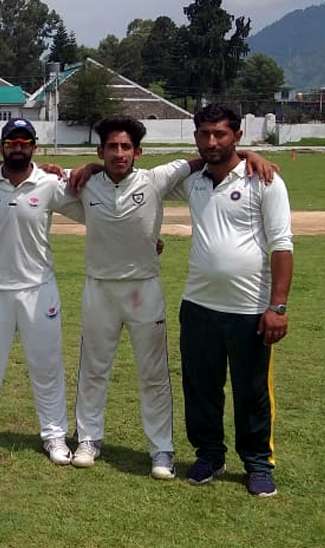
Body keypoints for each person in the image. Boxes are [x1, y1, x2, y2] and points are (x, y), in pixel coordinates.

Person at [65, 115, 278, 478]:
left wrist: (247, 153)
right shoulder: (84, 184)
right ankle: (88, 438)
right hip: (98, 288)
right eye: (112, 147)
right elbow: (40, 180)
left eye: (126, 147)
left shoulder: (155, 179)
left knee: (154, 374)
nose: (120, 153)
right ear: (100, 152)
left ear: (138, 151)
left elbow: (209, 156)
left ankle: (161, 449)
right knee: (94, 370)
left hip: (144, 289)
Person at [0, 118, 83, 465]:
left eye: (24, 141)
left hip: (39, 289)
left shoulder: (49, 184)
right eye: (12, 141)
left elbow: (93, 212)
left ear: (33, 147)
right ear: (2, 146)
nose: (18, 146)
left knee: (47, 365)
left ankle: (54, 435)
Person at [177, 104, 292, 497]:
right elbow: (132, 176)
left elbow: (282, 245)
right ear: (196, 137)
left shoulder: (265, 180)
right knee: (201, 388)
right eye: (205, 134)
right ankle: (209, 454)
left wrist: (277, 306)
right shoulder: (192, 181)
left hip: (249, 310)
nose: (212, 141)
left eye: (221, 134)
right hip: (198, 306)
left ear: (237, 137)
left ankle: (258, 463)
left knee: (252, 392)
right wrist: (84, 169)